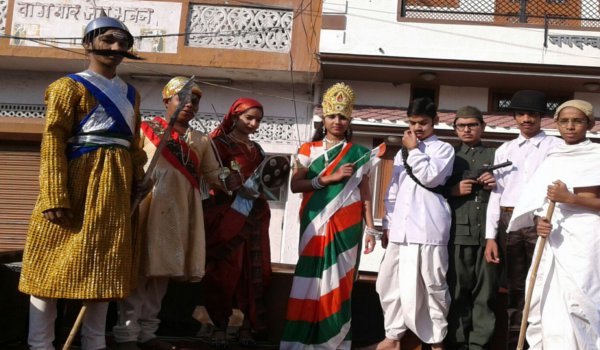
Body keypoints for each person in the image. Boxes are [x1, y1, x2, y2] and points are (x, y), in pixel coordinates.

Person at [18, 16, 147, 350]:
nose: (117, 48)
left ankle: (94, 343)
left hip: (115, 188)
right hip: (76, 180)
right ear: (88, 42)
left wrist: (139, 178)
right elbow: (52, 141)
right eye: (109, 40)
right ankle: (40, 344)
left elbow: (133, 147)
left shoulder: (131, 94)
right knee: (48, 264)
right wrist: (53, 195)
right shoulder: (67, 87)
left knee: (104, 266)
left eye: (124, 42)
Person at [112, 77, 225, 350]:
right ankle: (125, 334)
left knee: (163, 273)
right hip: (148, 205)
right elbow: (129, 163)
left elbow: (212, 173)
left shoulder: (200, 139)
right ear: (167, 101)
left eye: (194, 101)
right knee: (139, 271)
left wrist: (228, 179)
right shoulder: (146, 128)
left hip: (181, 212)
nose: (188, 104)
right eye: (182, 99)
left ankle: (147, 333)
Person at [280, 82, 382, 349]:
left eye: (343, 116)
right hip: (314, 222)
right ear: (323, 118)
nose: (337, 121)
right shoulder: (307, 151)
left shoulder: (359, 154)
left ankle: (332, 342)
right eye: (332, 116)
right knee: (309, 281)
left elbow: (366, 193)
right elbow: (295, 185)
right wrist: (328, 179)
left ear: (350, 121)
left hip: (347, 228)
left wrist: (371, 229)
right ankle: (300, 341)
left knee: (339, 283)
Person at [507, 100, 600, 349]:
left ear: (590, 124)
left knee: (582, 300)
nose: (570, 127)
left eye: (577, 121)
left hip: (587, 239)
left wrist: (571, 199)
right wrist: (539, 223)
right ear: (556, 124)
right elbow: (539, 202)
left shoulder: (597, 156)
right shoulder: (553, 157)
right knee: (547, 299)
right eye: (564, 121)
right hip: (554, 237)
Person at [483, 90, 563, 349]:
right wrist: (490, 237)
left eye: (533, 114)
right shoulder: (505, 150)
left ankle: (543, 343)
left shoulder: (556, 147)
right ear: (514, 117)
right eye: (521, 113)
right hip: (510, 222)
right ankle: (516, 345)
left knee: (543, 285)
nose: (527, 118)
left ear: (542, 118)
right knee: (515, 289)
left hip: (542, 222)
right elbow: (497, 194)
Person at [376, 97, 454, 350]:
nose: (418, 127)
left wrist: (413, 150)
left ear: (436, 121)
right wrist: (389, 223)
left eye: (423, 122)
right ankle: (393, 335)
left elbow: (430, 178)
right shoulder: (401, 152)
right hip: (401, 228)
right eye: (412, 122)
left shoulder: (443, 149)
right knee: (389, 283)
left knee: (433, 285)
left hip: (429, 227)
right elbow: (393, 191)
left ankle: (437, 341)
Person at [201, 97, 271, 348]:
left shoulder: (258, 150)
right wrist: (226, 180)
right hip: (227, 213)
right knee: (225, 270)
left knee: (255, 270)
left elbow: (267, 178)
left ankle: (246, 327)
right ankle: (218, 325)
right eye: (249, 118)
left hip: (256, 213)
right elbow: (210, 173)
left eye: (258, 120)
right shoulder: (217, 144)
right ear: (235, 116)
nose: (254, 123)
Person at [444, 106, 498, 350]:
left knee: (485, 295)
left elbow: (513, 189)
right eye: (461, 125)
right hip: (457, 234)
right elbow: (428, 190)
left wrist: (496, 183)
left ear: (482, 127)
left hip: (489, 235)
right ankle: (457, 343)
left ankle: (478, 345)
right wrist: (452, 191)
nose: (466, 130)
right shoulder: (447, 156)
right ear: (455, 129)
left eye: (472, 125)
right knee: (457, 293)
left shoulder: (496, 155)